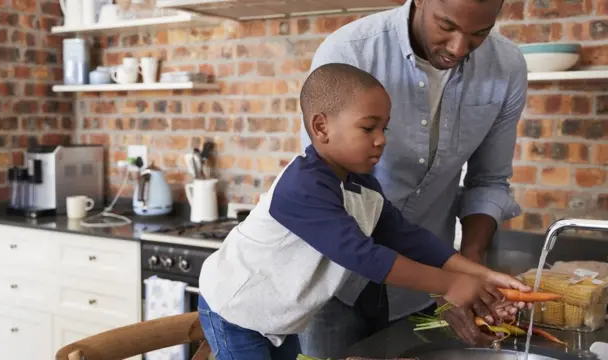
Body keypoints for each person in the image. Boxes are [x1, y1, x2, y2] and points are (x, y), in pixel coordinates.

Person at [197, 63, 531, 360]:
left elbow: (406, 237)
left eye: (383, 128)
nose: (381, 139)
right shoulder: (302, 186)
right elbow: (363, 256)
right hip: (235, 312)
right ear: (321, 127)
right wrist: (450, 284)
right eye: (368, 128)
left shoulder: (362, 187)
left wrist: (479, 275)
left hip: (274, 319)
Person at [298, 0, 529, 356]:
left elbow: (488, 182)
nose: (459, 48)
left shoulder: (507, 67)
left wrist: (471, 269)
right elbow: (350, 231)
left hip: (417, 293)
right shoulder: (349, 52)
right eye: (447, 27)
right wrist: (449, 282)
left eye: (479, 33)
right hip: (332, 287)